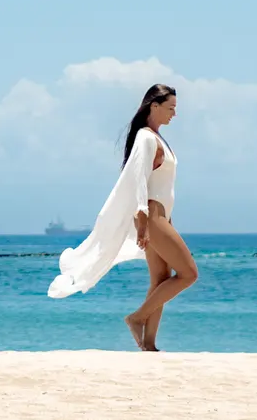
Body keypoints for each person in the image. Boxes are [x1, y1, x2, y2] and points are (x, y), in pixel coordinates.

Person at [45, 83, 198, 351]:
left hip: (162, 216)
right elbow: (138, 180)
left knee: (161, 279)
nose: (175, 113)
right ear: (154, 106)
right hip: (152, 216)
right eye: (170, 108)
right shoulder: (146, 138)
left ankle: (149, 344)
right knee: (188, 274)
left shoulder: (157, 138)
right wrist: (143, 222)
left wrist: (166, 219)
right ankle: (137, 318)